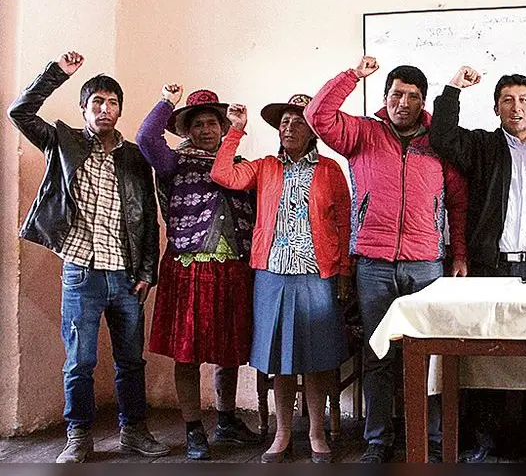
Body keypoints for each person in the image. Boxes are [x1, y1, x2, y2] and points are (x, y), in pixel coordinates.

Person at [303, 56, 468, 463]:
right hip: (373, 263)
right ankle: (378, 440)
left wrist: (459, 252)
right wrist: (350, 76)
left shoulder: (439, 140)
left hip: (426, 263)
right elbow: (317, 116)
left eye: (413, 96)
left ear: (423, 102)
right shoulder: (362, 133)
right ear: (384, 97)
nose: (404, 102)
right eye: (397, 94)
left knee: (428, 357)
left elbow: (458, 203)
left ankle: (427, 438)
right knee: (379, 355)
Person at [7, 51, 168, 463]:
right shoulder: (63, 142)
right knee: (80, 361)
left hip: (127, 273)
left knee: (131, 360)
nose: (105, 109)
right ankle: (78, 436)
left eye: (112, 102)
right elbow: (19, 111)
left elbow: (147, 215)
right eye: (96, 101)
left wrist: (148, 270)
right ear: (84, 108)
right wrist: (57, 73)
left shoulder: (134, 156)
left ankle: (134, 430)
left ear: (119, 109)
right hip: (81, 271)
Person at [429, 68, 526, 463]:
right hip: (491, 269)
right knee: (484, 356)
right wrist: (453, 89)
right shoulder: (481, 146)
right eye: (507, 100)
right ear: (496, 108)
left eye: (523, 100)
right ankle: (482, 439)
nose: (516, 107)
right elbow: (441, 137)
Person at [211, 94, 352, 463]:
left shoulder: (330, 170)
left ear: (312, 130)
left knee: (319, 361)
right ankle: (282, 434)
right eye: (285, 122)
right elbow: (222, 174)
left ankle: (317, 433)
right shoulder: (265, 167)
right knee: (281, 361)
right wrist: (235, 132)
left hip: (316, 275)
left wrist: (343, 273)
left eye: (299, 122)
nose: (289, 128)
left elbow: (343, 222)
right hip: (272, 275)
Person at [136, 85, 260, 460]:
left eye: (212, 123)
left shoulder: (238, 165)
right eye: (198, 124)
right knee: (186, 354)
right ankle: (193, 429)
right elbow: (145, 137)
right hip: (188, 266)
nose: (206, 129)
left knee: (230, 350)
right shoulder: (173, 162)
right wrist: (166, 102)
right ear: (187, 129)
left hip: (231, 266)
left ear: (223, 127)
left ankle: (225, 420)